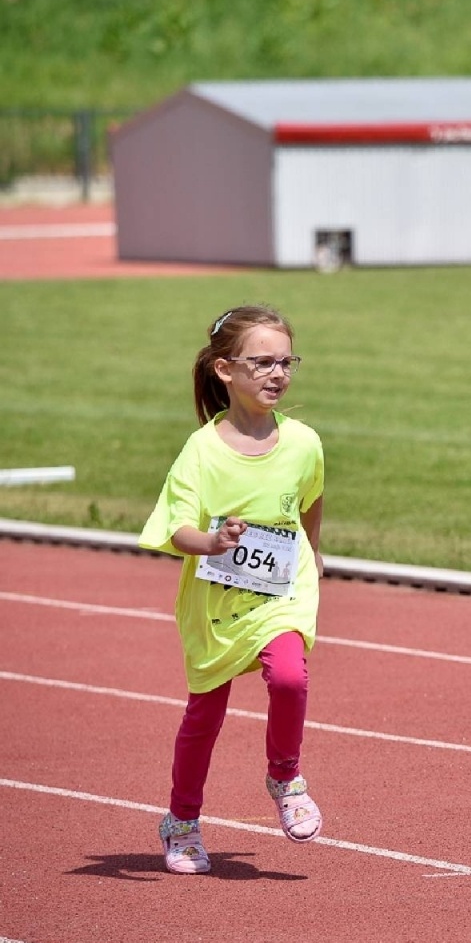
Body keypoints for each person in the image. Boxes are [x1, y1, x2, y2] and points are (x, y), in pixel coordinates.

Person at [138, 305, 327, 874]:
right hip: (217, 601)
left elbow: (311, 498)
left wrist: (314, 556)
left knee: (290, 676)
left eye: (286, 361)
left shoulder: (303, 443)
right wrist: (214, 542)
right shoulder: (202, 450)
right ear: (225, 370)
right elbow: (176, 528)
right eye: (262, 362)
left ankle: (285, 776)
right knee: (205, 716)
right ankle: (183, 820)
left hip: (282, 594)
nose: (278, 374)